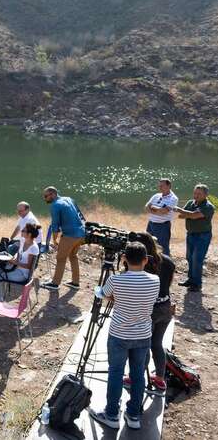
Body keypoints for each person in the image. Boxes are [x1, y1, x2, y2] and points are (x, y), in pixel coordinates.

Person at [89, 242, 159, 431]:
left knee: (116, 373)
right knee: (138, 375)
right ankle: (134, 415)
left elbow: (102, 293)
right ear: (145, 260)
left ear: (124, 259)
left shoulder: (116, 280)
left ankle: (112, 414)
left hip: (119, 334)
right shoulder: (155, 280)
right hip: (143, 335)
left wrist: (109, 295)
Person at [122, 232, 174, 397]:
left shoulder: (141, 264)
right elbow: (168, 284)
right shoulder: (168, 261)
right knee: (157, 344)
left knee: (141, 346)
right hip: (165, 307)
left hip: (149, 310)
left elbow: (131, 286)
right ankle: (160, 378)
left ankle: (135, 378)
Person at [41, 186, 85, 291]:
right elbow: (81, 215)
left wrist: (54, 239)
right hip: (81, 233)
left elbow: (55, 225)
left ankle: (55, 284)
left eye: (46, 196)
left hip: (70, 235)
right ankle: (75, 282)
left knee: (60, 258)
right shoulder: (69, 199)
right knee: (73, 256)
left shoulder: (55, 205)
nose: (45, 198)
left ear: (53, 194)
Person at [173, 184, 214, 292]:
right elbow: (181, 216)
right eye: (195, 193)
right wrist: (190, 214)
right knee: (189, 257)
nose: (196, 195)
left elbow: (192, 215)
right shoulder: (190, 203)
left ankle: (197, 284)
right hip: (190, 234)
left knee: (197, 259)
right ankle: (191, 280)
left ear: (206, 195)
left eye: (199, 194)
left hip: (203, 236)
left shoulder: (208, 206)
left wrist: (181, 210)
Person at [144, 178, 178, 256]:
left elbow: (164, 211)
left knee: (163, 247)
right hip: (151, 224)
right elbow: (146, 207)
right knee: (148, 244)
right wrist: (157, 210)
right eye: (159, 186)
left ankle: (166, 262)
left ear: (169, 186)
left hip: (162, 226)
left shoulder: (173, 198)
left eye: (162, 186)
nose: (160, 187)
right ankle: (152, 261)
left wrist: (153, 207)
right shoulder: (156, 195)